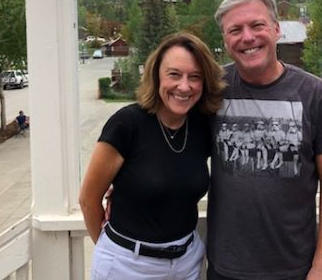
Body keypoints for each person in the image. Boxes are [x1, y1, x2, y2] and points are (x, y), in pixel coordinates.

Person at [207, 0, 322, 280]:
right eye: (235, 30)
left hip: (295, 268)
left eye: (257, 25)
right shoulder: (212, 89)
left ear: (276, 30)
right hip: (226, 268)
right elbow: (169, 138)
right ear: (225, 40)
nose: (247, 37)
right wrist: (133, 180)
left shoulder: (314, 93)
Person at [79, 32, 225, 280]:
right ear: (156, 75)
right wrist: (112, 252)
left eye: (195, 77)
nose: (184, 86)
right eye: (174, 74)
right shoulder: (127, 124)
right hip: (127, 266)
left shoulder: (202, 125)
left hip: (187, 262)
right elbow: (88, 199)